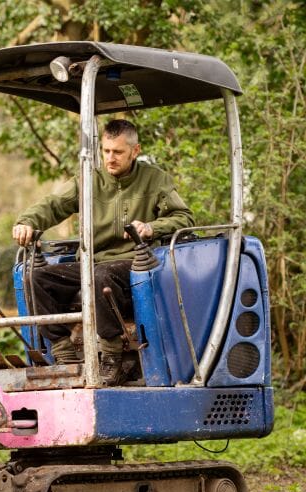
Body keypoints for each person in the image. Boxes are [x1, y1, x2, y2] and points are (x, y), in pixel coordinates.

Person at [12, 119, 194, 385]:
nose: (110, 158)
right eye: (106, 151)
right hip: (90, 262)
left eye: (118, 152)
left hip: (132, 263)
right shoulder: (88, 181)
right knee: (36, 278)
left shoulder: (155, 180)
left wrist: (151, 227)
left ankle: (111, 355)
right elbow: (52, 205)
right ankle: (64, 353)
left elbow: (184, 217)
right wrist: (27, 221)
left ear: (135, 150)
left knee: (100, 276)